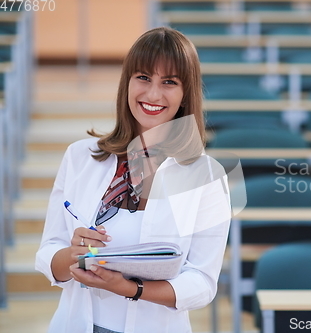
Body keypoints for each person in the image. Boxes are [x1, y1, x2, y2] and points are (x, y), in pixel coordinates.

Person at [35, 27, 232, 333]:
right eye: (143, 77)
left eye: (169, 82)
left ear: (185, 94)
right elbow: (49, 251)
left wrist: (130, 288)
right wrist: (72, 257)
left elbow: (202, 283)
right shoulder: (79, 157)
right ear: (126, 82)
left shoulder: (207, 176)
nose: (153, 94)